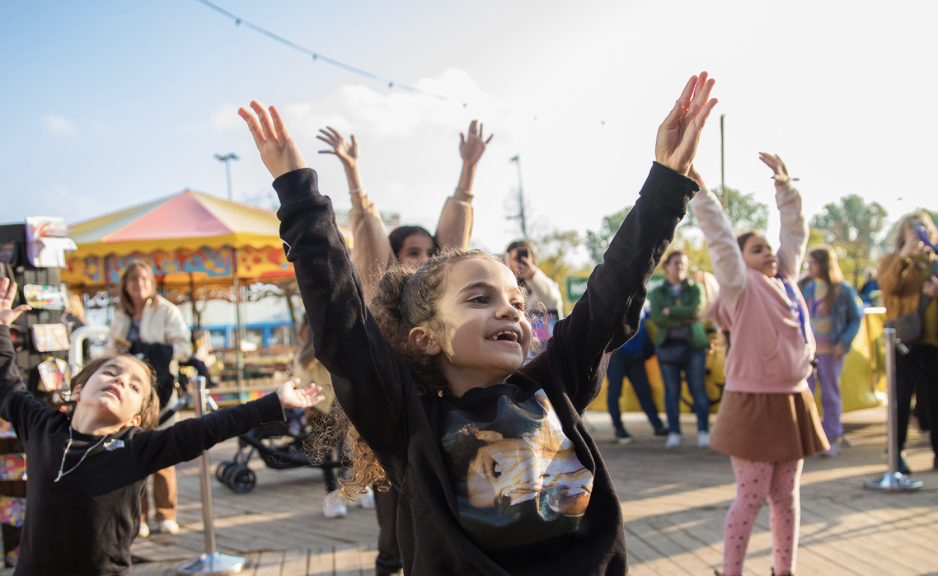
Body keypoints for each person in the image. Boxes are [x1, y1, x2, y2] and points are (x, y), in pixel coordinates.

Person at [239, 71, 717, 574]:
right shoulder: (408, 419)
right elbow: (343, 324)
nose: (509, 309)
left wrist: (666, 181)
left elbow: (612, 291)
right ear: (426, 338)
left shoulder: (552, 386)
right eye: (479, 298)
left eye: (514, 299)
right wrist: (298, 195)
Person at [0, 277, 323, 576]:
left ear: (134, 419)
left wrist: (274, 403)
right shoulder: (43, 427)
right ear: (80, 389)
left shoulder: (135, 448)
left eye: (135, 386)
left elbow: (209, 427)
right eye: (111, 373)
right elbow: (7, 385)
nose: (121, 382)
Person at [318, 122, 490, 575]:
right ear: (394, 259)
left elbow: (455, 243)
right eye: (413, 252)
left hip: (446, 417)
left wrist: (467, 171)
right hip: (396, 416)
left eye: (429, 251)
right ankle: (388, 560)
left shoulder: (443, 296)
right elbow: (368, 232)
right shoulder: (384, 291)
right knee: (394, 513)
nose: (424, 258)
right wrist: (353, 173)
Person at [690, 155, 827, 576]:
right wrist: (700, 191)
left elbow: (796, 234)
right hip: (752, 402)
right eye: (758, 248)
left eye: (769, 247)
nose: (768, 252)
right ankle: (732, 572)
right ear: (741, 259)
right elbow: (720, 241)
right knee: (750, 498)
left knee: (786, 496)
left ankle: (783, 570)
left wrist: (785, 189)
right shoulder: (740, 286)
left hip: (793, 400)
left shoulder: (785, 279)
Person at [105, 260, 192, 537]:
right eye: (132, 279)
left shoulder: (167, 311)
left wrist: (151, 351)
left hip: (160, 391)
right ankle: (138, 516)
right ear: (125, 285)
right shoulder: (120, 315)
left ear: (151, 282)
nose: (138, 284)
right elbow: (110, 349)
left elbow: (184, 347)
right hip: (129, 392)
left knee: (163, 452)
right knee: (132, 453)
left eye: (143, 278)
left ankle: (166, 513)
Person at [878, 210, 938, 473]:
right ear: (901, 234)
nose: (917, 233)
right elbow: (888, 287)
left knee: (934, 400)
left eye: (923, 228)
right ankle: (895, 455)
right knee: (900, 399)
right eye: (911, 229)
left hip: (933, 343)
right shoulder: (892, 260)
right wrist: (903, 258)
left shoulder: (935, 261)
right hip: (904, 341)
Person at [799, 245, 862, 457]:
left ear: (825, 264)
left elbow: (855, 318)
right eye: (809, 262)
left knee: (830, 393)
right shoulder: (805, 285)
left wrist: (843, 343)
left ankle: (832, 436)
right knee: (805, 392)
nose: (810, 267)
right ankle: (808, 435)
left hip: (831, 351)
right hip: (807, 350)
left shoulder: (842, 289)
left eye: (814, 263)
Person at [648, 250, 711, 447]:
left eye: (684, 263)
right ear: (666, 266)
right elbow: (657, 317)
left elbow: (696, 311)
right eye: (676, 263)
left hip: (693, 347)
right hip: (667, 348)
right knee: (671, 391)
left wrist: (671, 312)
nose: (680, 267)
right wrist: (684, 319)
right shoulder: (657, 292)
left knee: (698, 389)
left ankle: (703, 431)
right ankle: (674, 432)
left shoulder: (695, 288)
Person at [606, 307, 668, 443]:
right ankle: (619, 429)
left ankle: (658, 426)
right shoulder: (611, 298)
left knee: (644, 391)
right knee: (615, 392)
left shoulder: (642, 302)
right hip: (616, 356)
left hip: (636, 355)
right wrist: (609, 346)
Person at [504, 240, 565, 319]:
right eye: (516, 259)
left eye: (525, 257)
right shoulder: (504, 286)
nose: (521, 262)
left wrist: (533, 276)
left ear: (533, 258)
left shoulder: (544, 283)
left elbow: (554, 303)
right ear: (509, 261)